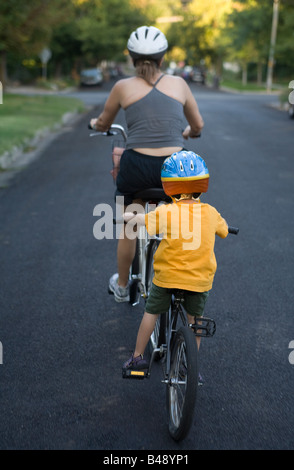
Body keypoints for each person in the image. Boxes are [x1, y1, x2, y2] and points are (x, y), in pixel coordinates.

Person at [90, 25, 204, 302]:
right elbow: (197, 126)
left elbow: (104, 122)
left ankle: (121, 285)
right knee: (181, 221)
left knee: (129, 226)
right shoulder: (179, 84)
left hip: (137, 166)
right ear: (162, 58)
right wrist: (186, 133)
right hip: (175, 167)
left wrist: (96, 123)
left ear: (131, 58)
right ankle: (184, 281)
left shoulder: (122, 87)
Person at [121, 150, 229, 373]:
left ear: (168, 187)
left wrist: (129, 217)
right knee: (195, 322)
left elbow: (143, 220)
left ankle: (138, 358)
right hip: (199, 281)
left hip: (167, 279)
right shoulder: (210, 212)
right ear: (202, 184)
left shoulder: (166, 212)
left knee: (151, 312)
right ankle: (189, 365)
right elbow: (225, 231)